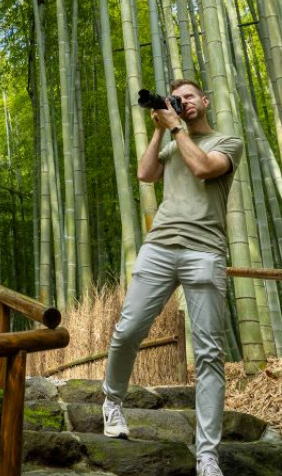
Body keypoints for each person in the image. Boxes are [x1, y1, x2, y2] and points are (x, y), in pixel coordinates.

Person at [100, 77, 244, 476]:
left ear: (205, 100)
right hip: (160, 247)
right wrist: (159, 128)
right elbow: (146, 175)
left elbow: (202, 168)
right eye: (176, 99)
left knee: (209, 354)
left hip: (204, 252)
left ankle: (207, 454)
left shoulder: (226, 142)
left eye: (189, 97)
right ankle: (112, 402)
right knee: (127, 331)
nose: (183, 102)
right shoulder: (169, 141)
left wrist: (177, 128)